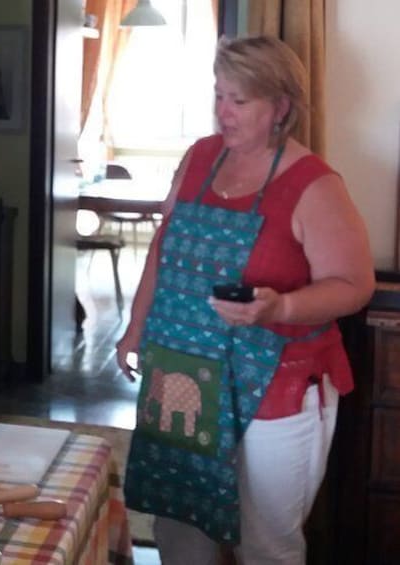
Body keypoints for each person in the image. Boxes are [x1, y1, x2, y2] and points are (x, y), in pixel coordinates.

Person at [117, 36, 374, 564]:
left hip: (277, 384)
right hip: (184, 373)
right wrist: (135, 327)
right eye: (218, 96)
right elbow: (164, 247)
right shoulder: (201, 157)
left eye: (239, 100)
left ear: (280, 107)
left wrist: (277, 308)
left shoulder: (314, 185)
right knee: (181, 521)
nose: (222, 112)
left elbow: (353, 285)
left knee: (266, 542)